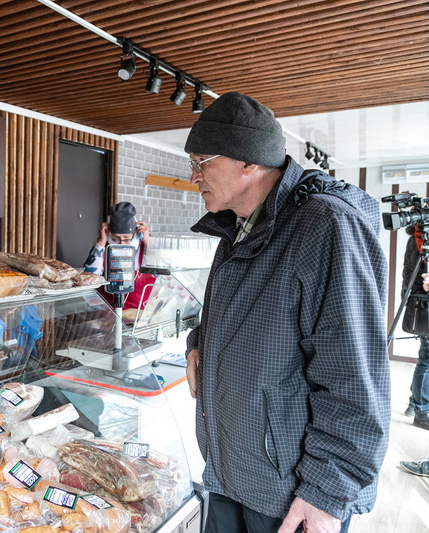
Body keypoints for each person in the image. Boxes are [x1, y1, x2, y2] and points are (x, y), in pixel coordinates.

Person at [183, 92, 390, 533]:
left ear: (249, 163)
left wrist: (327, 493)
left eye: (202, 161)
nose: (193, 176)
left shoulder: (326, 225)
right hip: (229, 469)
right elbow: (236, 319)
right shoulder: (236, 229)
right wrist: (197, 344)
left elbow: (355, 374)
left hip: (289, 492)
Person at [83, 201, 154, 315]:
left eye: (126, 238)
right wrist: (101, 242)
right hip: (108, 312)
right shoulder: (104, 244)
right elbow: (90, 278)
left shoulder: (146, 243)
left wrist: (147, 243)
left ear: (136, 233)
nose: (121, 243)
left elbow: (159, 274)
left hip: (141, 314)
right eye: (116, 238)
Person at [401, 225, 429, 430]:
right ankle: (422, 409)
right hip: (423, 299)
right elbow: (417, 272)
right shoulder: (421, 238)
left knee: (425, 357)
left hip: (418, 299)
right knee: (427, 360)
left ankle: (414, 402)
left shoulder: (419, 234)